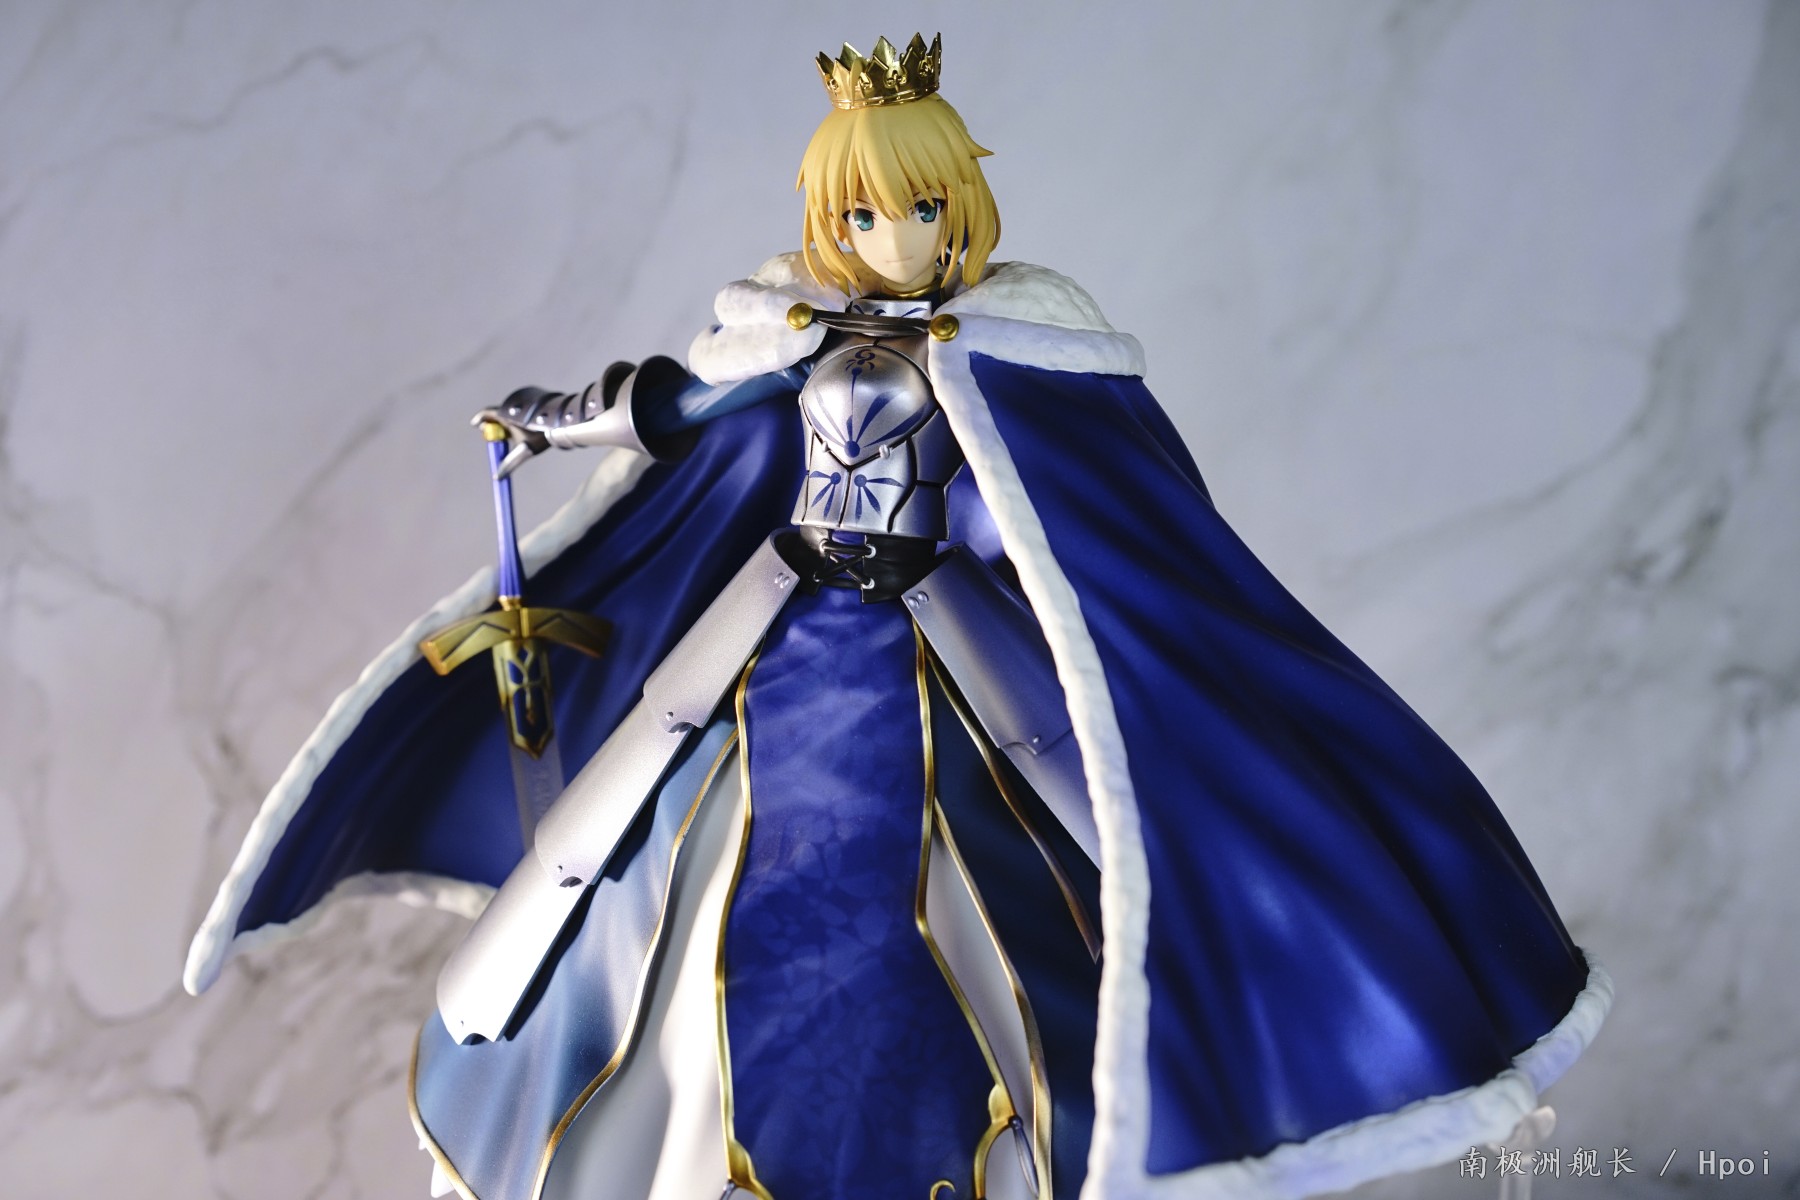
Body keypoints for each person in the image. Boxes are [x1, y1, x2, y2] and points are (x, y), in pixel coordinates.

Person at [184, 33, 1610, 1200]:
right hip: (777, 628)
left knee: (1019, 888)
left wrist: (1044, 581)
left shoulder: (1014, 348)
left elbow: (1081, 520)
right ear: (831, 221)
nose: (896, 237)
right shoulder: (790, 331)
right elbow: (671, 410)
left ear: (961, 209)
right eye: (864, 215)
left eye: (922, 210)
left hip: (943, 644)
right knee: (671, 881)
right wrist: (547, 423)